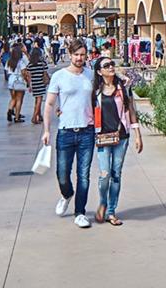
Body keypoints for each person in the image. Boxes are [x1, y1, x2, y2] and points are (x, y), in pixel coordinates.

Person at [43, 39, 96, 229]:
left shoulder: (91, 75)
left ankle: (80, 212)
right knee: (62, 174)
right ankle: (67, 194)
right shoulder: (59, 76)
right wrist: (47, 130)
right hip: (65, 132)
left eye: (82, 54)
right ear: (70, 54)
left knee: (84, 174)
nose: (79, 58)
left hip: (87, 131)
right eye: (76, 55)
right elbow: (49, 104)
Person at [91, 57, 143, 226]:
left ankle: (111, 211)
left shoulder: (123, 88)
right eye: (106, 65)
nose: (111, 67)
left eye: (112, 64)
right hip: (103, 136)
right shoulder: (95, 91)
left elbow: (131, 110)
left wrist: (137, 134)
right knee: (104, 175)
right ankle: (103, 204)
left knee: (116, 174)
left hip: (121, 137)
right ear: (99, 71)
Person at [6, 42, 30, 122]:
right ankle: (16, 117)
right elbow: (24, 73)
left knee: (13, 98)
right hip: (19, 80)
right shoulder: (21, 62)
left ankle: (10, 110)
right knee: (19, 99)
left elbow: (7, 71)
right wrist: (27, 81)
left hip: (11, 80)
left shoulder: (9, 61)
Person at [27, 46, 50, 124]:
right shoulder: (42, 63)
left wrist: (29, 85)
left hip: (34, 83)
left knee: (37, 99)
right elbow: (45, 72)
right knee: (39, 99)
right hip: (41, 82)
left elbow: (29, 76)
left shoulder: (30, 64)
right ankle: (34, 116)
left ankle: (39, 115)